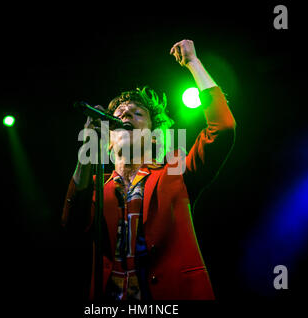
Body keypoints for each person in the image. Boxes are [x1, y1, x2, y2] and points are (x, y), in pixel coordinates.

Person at [62, 40, 236, 300]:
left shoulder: (174, 173)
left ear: (154, 136)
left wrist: (193, 63)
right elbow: (72, 225)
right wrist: (89, 146)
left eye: (136, 114)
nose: (125, 116)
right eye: (119, 114)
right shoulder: (97, 185)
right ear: (109, 137)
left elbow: (221, 128)